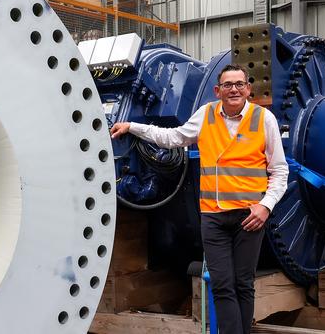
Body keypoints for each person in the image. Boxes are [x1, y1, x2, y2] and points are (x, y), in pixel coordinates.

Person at [110, 64, 288, 334]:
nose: (234, 89)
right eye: (228, 85)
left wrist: (266, 206)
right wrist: (132, 126)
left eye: (239, 84)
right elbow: (172, 137)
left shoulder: (264, 120)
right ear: (217, 91)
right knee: (221, 284)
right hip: (213, 217)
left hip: (249, 218)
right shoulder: (206, 115)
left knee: (243, 283)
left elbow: (280, 170)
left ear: (248, 89)